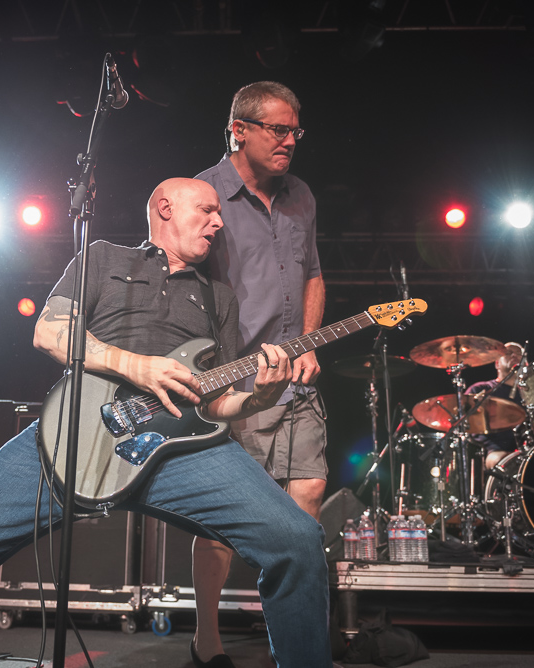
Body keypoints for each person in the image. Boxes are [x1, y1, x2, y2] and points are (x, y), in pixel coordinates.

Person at [0, 178, 332, 668]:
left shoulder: (219, 296)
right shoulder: (104, 257)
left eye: (220, 213)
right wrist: (137, 366)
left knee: (298, 542)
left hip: (183, 452)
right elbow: (49, 333)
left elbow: (213, 405)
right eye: (208, 210)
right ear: (165, 207)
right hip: (77, 431)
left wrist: (261, 395)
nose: (220, 222)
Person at [191, 82, 327, 666]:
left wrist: (308, 343)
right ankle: (206, 639)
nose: (290, 141)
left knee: (309, 492)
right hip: (234, 383)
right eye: (278, 129)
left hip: (295, 378)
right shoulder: (204, 194)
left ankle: (291, 642)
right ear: (239, 129)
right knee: (222, 521)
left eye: (296, 131)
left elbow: (313, 275)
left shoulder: (301, 197)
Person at [465, 342, 525, 470]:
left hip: (528, 449)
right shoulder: (481, 389)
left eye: (519, 354)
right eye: (508, 353)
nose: (514, 355)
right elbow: (468, 425)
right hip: (494, 450)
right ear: (497, 363)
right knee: (510, 464)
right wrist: (492, 448)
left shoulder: (531, 395)